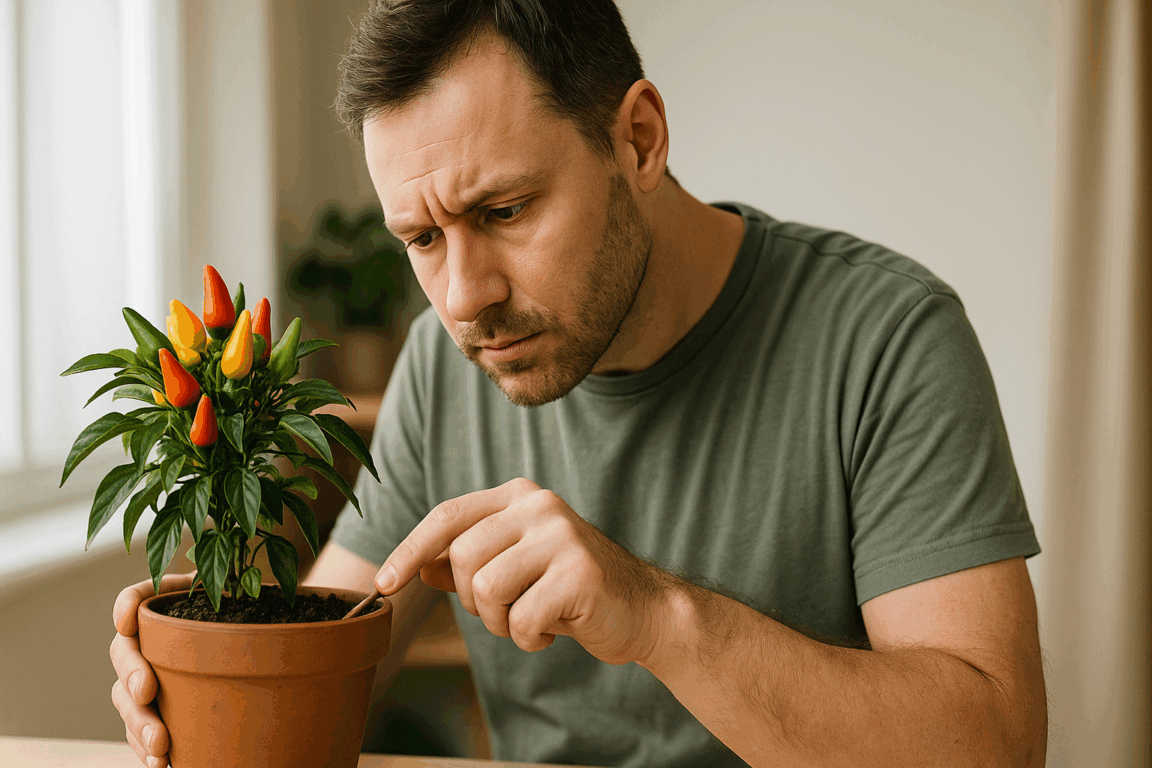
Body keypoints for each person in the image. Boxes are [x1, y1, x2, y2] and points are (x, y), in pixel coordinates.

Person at [109, 1, 1047, 766]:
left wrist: (657, 617)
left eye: (505, 209)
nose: (464, 298)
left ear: (638, 138)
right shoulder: (449, 360)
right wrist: (208, 663)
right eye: (423, 241)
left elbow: (998, 746)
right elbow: (346, 643)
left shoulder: (887, 338)